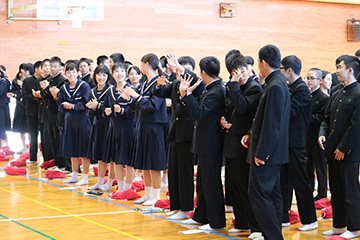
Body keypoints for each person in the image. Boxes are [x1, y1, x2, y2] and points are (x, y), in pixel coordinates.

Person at [241, 44, 290, 240]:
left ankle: (272, 236)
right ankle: (274, 234)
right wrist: (251, 133)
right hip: (273, 151)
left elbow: (273, 124)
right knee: (273, 194)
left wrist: (262, 153)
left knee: (259, 194)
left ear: (262, 62)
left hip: (268, 153)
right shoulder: (275, 82)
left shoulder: (276, 85)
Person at [153, 52, 205, 220]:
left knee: (185, 173)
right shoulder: (175, 83)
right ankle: (175, 206)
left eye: (185, 71)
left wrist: (181, 69)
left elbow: (197, 87)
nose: (182, 75)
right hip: (175, 132)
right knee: (173, 172)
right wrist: (158, 85)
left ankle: (186, 208)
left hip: (188, 134)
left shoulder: (197, 84)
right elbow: (159, 93)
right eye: (179, 71)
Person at [179, 56, 226, 230]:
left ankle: (216, 222)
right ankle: (201, 216)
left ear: (203, 72)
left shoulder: (216, 91)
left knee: (211, 183)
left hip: (211, 144)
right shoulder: (210, 89)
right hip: (205, 143)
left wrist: (186, 94)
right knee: (202, 182)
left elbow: (199, 112)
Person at [319, 55, 360, 239]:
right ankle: (338, 225)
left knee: (350, 190)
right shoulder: (336, 91)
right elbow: (326, 119)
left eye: (339, 67)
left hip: (349, 152)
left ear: (350, 70)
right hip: (332, 149)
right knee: (335, 190)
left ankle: (353, 227)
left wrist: (343, 147)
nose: (336, 71)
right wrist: (322, 133)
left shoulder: (358, 92)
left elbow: (356, 125)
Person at [221, 53, 262, 236]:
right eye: (236, 73)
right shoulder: (235, 87)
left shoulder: (254, 88)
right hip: (232, 143)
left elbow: (243, 107)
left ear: (249, 68)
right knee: (234, 188)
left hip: (244, 145)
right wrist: (224, 121)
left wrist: (233, 85)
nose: (241, 76)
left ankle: (256, 227)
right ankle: (242, 223)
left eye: (243, 71)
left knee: (246, 188)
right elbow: (231, 109)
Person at [123, 53, 168, 206]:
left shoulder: (160, 82)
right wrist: (129, 98)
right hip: (142, 125)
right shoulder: (144, 84)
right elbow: (139, 106)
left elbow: (153, 106)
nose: (141, 67)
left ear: (147, 64)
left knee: (154, 162)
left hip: (154, 126)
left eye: (142, 64)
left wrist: (137, 97)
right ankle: (148, 193)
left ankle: (155, 195)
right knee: (144, 162)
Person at [279, 55, 317, 231]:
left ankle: (309, 220)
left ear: (289, 70)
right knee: (284, 181)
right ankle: (283, 216)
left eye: (281, 69)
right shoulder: (290, 87)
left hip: (296, 142)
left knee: (301, 181)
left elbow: (291, 111)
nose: (280, 72)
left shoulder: (301, 89)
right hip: (286, 142)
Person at [101, 63, 136, 192]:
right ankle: (121, 188)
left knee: (128, 160)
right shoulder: (110, 90)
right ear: (112, 74)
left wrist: (122, 110)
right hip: (114, 128)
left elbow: (135, 112)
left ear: (126, 73)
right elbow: (105, 108)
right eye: (116, 71)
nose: (119, 74)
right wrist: (106, 111)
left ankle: (128, 188)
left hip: (128, 129)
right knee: (116, 160)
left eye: (122, 71)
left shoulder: (131, 89)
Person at [58, 63, 91, 185]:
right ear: (65, 74)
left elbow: (86, 103)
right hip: (69, 121)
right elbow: (59, 103)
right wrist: (64, 106)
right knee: (72, 149)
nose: (71, 74)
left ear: (77, 73)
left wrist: (73, 106)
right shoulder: (64, 88)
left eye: (73, 72)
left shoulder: (84, 86)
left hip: (83, 121)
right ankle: (75, 175)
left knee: (84, 150)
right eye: (68, 72)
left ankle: (85, 177)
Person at [86, 65, 111, 190]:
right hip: (97, 125)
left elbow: (110, 109)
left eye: (104, 75)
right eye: (99, 74)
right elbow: (91, 113)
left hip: (109, 126)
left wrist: (99, 106)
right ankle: (100, 181)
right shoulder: (92, 91)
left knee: (110, 157)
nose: (101, 77)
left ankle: (110, 182)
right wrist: (91, 107)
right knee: (100, 156)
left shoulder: (111, 90)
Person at [306, 68, 329, 200]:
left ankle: (322, 195)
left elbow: (323, 117)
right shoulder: (306, 95)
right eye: (307, 78)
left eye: (312, 78)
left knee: (320, 168)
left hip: (317, 138)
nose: (309, 81)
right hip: (306, 138)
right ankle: (309, 193)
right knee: (307, 168)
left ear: (319, 80)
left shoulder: (323, 98)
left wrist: (306, 117)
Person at [40, 56, 67, 170]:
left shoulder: (62, 80)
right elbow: (45, 94)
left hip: (57, 114)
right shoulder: (50, 79)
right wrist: (44, 89)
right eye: (51, 66)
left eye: (55, 66)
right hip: (48, 114)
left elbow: (57, 96)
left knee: (58, 140)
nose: (52, 68)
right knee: (51, 140)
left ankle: (61, 164)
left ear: (60, 67)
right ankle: (56, 162)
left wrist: (47, 88)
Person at [22, 61, 42, 162]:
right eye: (42, 68)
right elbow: (24, 95)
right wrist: (34, 96)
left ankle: (48, 157)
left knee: (45, 136)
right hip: (31, 112)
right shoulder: (27, 81)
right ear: (36, 69)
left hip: (43, 112)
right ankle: (33, 157)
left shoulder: (46, 81)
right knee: (33, 135)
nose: (44, 70)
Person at [11, 64, 32, 153]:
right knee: (21, 128)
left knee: (29, 128)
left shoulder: (30, 80)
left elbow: (30, 91)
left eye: (24, 69)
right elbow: (14, 92)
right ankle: (23, 146)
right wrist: (18, 95)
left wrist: (22, 86)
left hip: (29, 106)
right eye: (22, 69)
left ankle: (31, 147)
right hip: (20, 106)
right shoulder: (16, 80)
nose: (23, 71)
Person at [0, 66, 11, 153]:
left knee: (2, 127)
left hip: (2, 106)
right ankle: (4, 148)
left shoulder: (3, 81)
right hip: (2, 106)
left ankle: (4, 148)